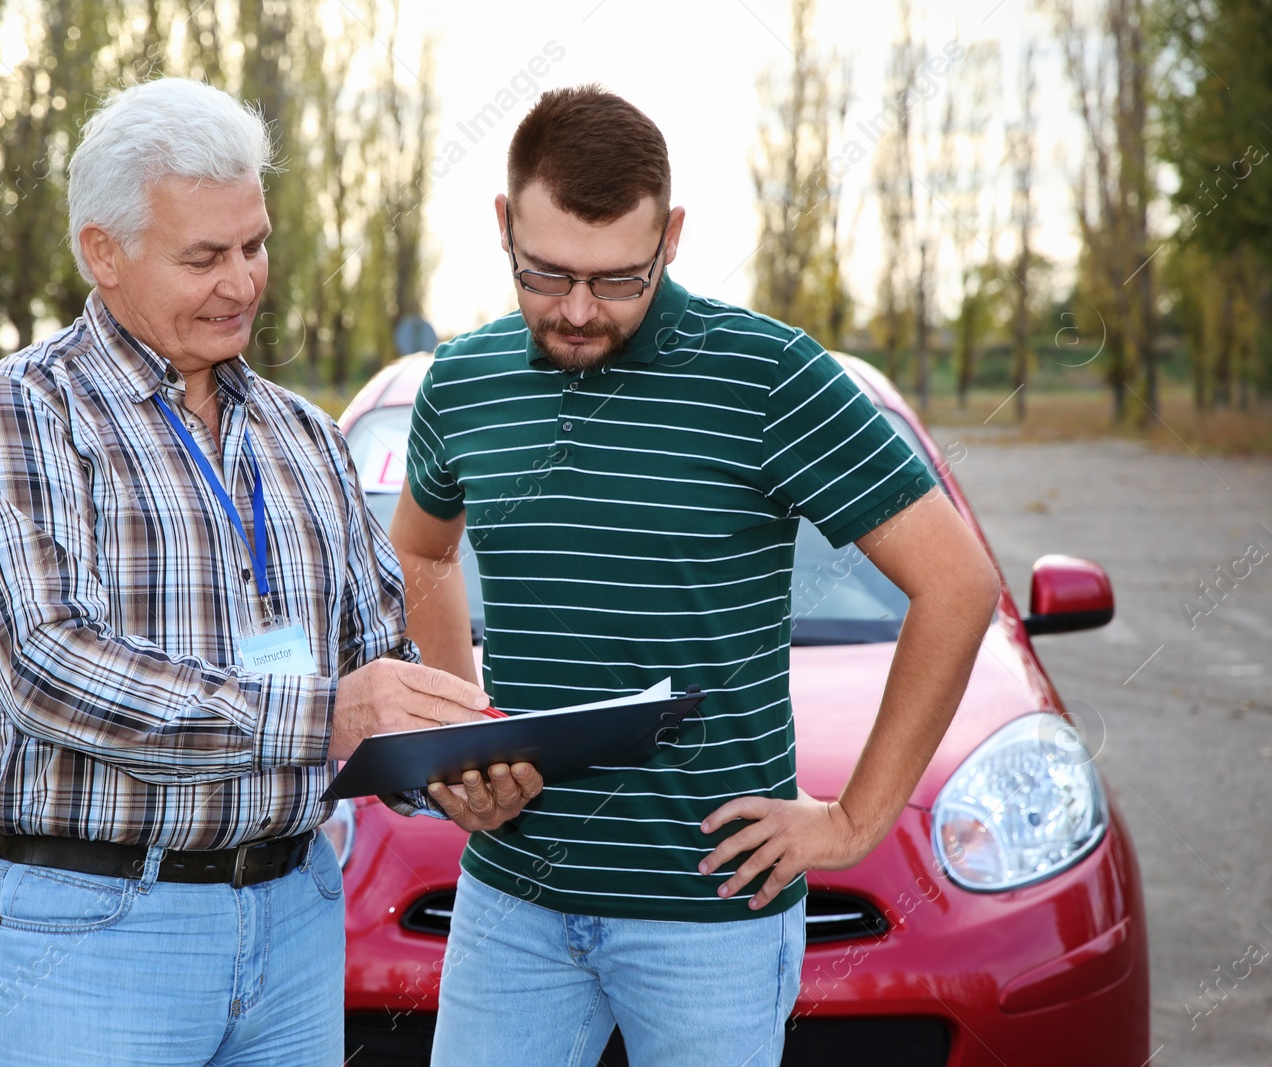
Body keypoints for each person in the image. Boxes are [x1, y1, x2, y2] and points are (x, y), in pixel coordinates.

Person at [0, 78, 539, 1067]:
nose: (242, 281)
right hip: (100, 926)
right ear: (101, 253)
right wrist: (328, 714)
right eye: (204, 256)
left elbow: (378, 666)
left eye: (254, 244)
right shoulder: (17, 415)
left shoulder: (308, 439)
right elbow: (44, 666)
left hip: (296, 918)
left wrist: (453, 772)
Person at [390, 85, 1002, 1066]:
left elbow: (958, 583)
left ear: (669, 236)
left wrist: (853, 820)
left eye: (617, 278)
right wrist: (464, 727)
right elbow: (420, 549)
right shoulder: (462, 381)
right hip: (510, 900)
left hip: (709, 915)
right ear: (503, 225)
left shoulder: (768, 375)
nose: (580, 310)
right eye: (546, 274)